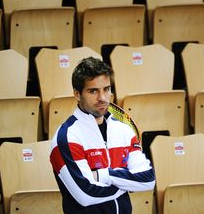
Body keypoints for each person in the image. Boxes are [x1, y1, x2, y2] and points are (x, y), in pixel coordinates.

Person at [50, 57, 155, 214]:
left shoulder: (124, 130)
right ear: (77, 94)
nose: (102, 98)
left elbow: (148, 180)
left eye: (106, 89)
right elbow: (86, 195)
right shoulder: (66, 137)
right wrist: (126, 183)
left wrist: (101, 175)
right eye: (93, 91)